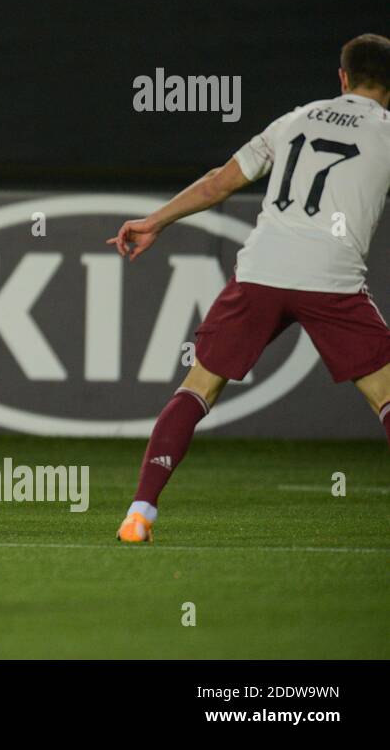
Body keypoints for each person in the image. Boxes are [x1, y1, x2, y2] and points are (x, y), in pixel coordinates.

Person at [109, 33, 390, 543]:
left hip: (262, 269)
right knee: (386, 396)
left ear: (342, 77)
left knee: (197, 389)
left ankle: (139, 512)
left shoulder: (296, 119)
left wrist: (156, 221)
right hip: (332, 278)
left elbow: (221, 181)